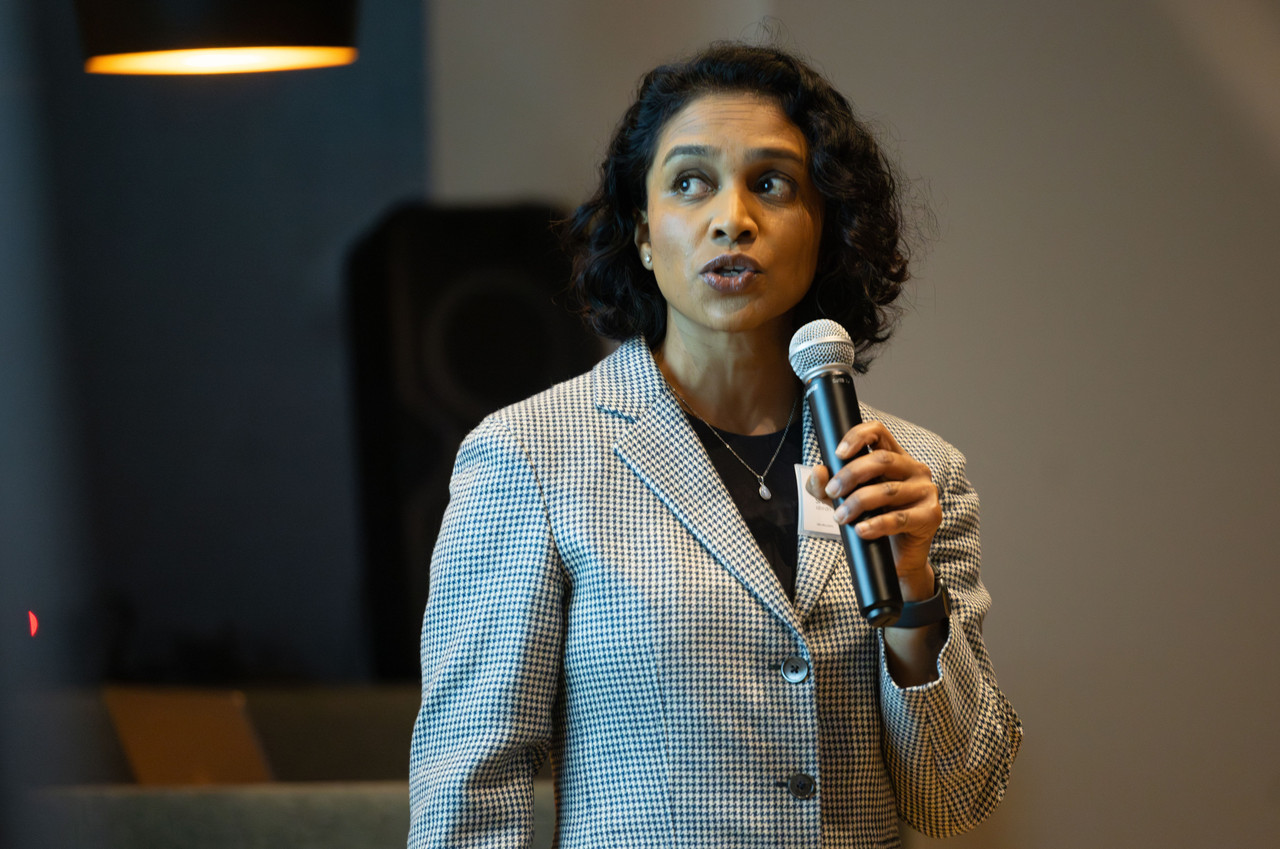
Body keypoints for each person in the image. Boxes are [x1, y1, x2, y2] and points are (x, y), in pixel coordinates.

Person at [408, 42, 1021, 848]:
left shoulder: (915, 474)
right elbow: (470, 790)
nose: (733, 217)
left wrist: (911, 592)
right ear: (642, 231)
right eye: (690, 182)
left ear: (824, 225)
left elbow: (957, 796)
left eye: (772, 183)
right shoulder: (531, 456)